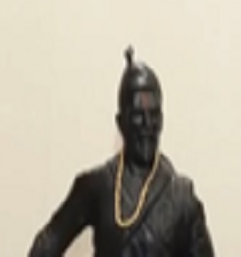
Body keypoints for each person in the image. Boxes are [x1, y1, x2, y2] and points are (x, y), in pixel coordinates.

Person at [28, 47, 214, 257]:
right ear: (120, 122)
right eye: (138, 115)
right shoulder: (97, 186)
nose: (147, 124)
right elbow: (46, 245)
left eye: (153, 115)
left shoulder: (182, 198)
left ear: (162, 120)